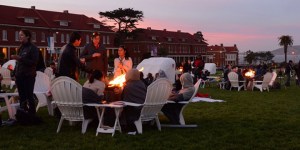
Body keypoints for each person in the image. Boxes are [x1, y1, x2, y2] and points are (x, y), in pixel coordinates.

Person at [11, 29, 39, 114]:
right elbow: (18, 63)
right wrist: (14, 73)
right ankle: (23, 113)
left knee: (29, 96)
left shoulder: (33, 48)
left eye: (22, 35)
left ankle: (32, 114)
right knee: (22, 96)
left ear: (28, 36)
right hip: (20, 76)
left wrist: (20, 58)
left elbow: (34, 62)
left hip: (28, 76)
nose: (20, 37)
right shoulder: (20, 48)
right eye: (19, 35)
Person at [120, 69, 147, 133]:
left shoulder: (128, 86)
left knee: (122, 108)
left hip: (135, 110)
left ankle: (122, 125)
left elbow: (123, 98)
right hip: (144, 108)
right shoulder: (142, 84)